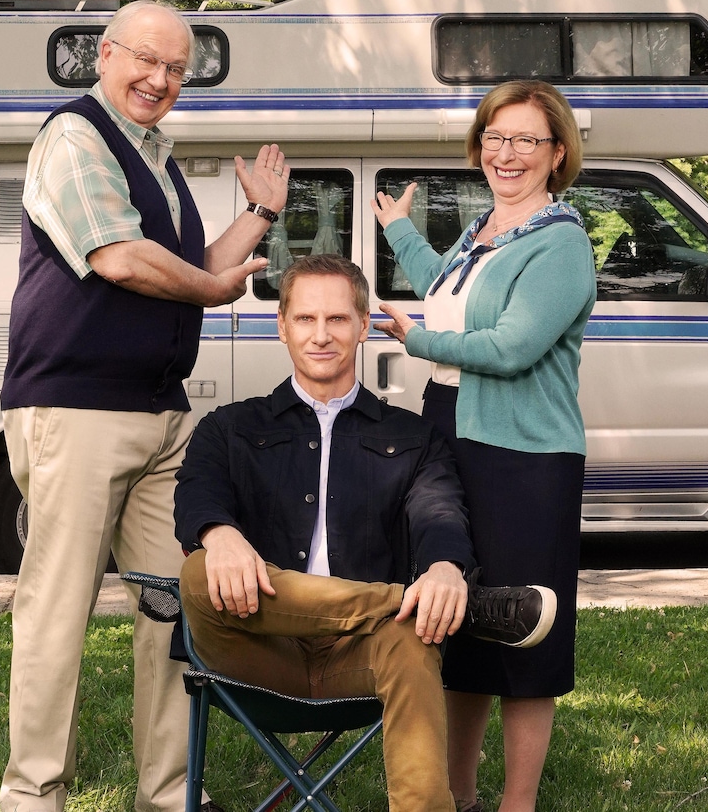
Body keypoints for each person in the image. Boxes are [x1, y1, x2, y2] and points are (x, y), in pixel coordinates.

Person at [0, 0, 290, 812]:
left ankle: (168, 795)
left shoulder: (151, 153)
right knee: (57, 611)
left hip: (161, 414)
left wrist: (260, 213)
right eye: (146, 61)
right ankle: (32, 796)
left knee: (172, 611)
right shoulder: (75, 137)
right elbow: (121, 259)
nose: (159, 80)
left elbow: (188, 264)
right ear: (104, 54)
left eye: (176, 71)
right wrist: (216, 291)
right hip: (77, 409)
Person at [173, 254, 556, 812]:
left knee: (409, 634)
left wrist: (446, 570)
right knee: (197, 570)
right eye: (305, 319)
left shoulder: (413, 437)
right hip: (253, 649)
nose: (321, 335)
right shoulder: (230, 426)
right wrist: (220, 535)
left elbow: (441, 514)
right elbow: (196, 492)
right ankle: (444, 608)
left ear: (361, 327)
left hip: (365, 656)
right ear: (282, 327)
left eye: (337, 320)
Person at [372, 79, 596, 812]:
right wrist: (401, 230)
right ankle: (459, 795)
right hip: (453, 435)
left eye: (527, 140)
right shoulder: (482, 236)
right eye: (496, 138)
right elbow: (446, 287)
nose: (508, 153)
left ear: (556, 153)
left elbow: (510, 347)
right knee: (459, 622)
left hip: (524, 458)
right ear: (479, 147)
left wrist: (417, 339)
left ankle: (516, 803)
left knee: (526, 631)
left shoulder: (561, 244)